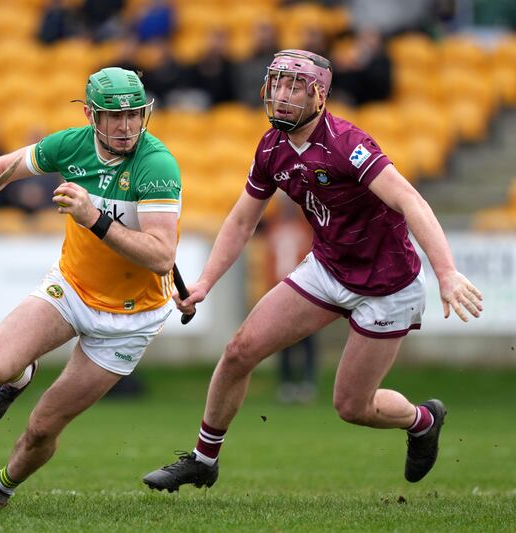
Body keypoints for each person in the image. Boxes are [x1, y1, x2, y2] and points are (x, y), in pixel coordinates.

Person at [142, 49, 483, 492]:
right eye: (277, 84)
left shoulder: (348, 144)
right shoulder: (271, 146)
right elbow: (243, 220)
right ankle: (204, 460)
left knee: (352, 407)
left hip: (387, 286)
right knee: (239, 351)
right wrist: (205, 282)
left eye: (295, 87)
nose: (282, 96)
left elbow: (410, 201)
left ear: (320, 96)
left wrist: (447, 272)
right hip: (327, 269)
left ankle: (422, 420)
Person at [0, 67, 181, 508]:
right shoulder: (71, 145)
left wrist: (93, 218)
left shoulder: (156, 164)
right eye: (114, 117)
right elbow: (0, 168)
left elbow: (161, 256)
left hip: (130, 321)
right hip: (71, 288)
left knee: (42, 428)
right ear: (91, 116)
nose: (126, 126)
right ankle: (21, 374)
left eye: (134, 114)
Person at [266, 196, 318, 404]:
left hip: (305, 289)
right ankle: (286, 383)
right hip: (280, 288)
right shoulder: (275, 226)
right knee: (283, 340)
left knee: (307, 339)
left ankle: (307, 382)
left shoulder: (305, 227)